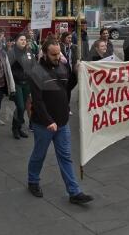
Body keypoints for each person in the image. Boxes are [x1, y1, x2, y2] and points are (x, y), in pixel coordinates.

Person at [27, 39, 93, 205]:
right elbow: (37, 101)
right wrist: (48, 121)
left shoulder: (63, 67)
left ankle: (74, 192)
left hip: (62, 122)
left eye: (59, 54)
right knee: (39, 155)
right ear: (44, 53)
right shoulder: (36, 72)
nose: (57, 57)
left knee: (65, 156)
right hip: (44, 124)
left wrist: (76, 74)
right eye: (54, 54)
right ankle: (33, 181)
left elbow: (67, 87)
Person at [7, 33, 35, 140]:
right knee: (20, 106)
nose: (24, 41)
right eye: (21, 39)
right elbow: (8, 67)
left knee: (22, 107)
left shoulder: (29, 52)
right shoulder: (12, 52)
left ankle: (18, 128)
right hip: (16, 83)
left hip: (26, 83)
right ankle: (15, 128)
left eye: (25, 40)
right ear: (16, 41)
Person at [59, 32, 79, 109]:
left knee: (68, 89)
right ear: (64, 38)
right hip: (62, 72)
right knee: (66, 90)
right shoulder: (59, 46)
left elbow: (76, 58)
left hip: (71, 72)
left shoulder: (74, 47)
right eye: (68, 38)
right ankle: (66, 107)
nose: (70, 39)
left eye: (71, 38)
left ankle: (66, 106)